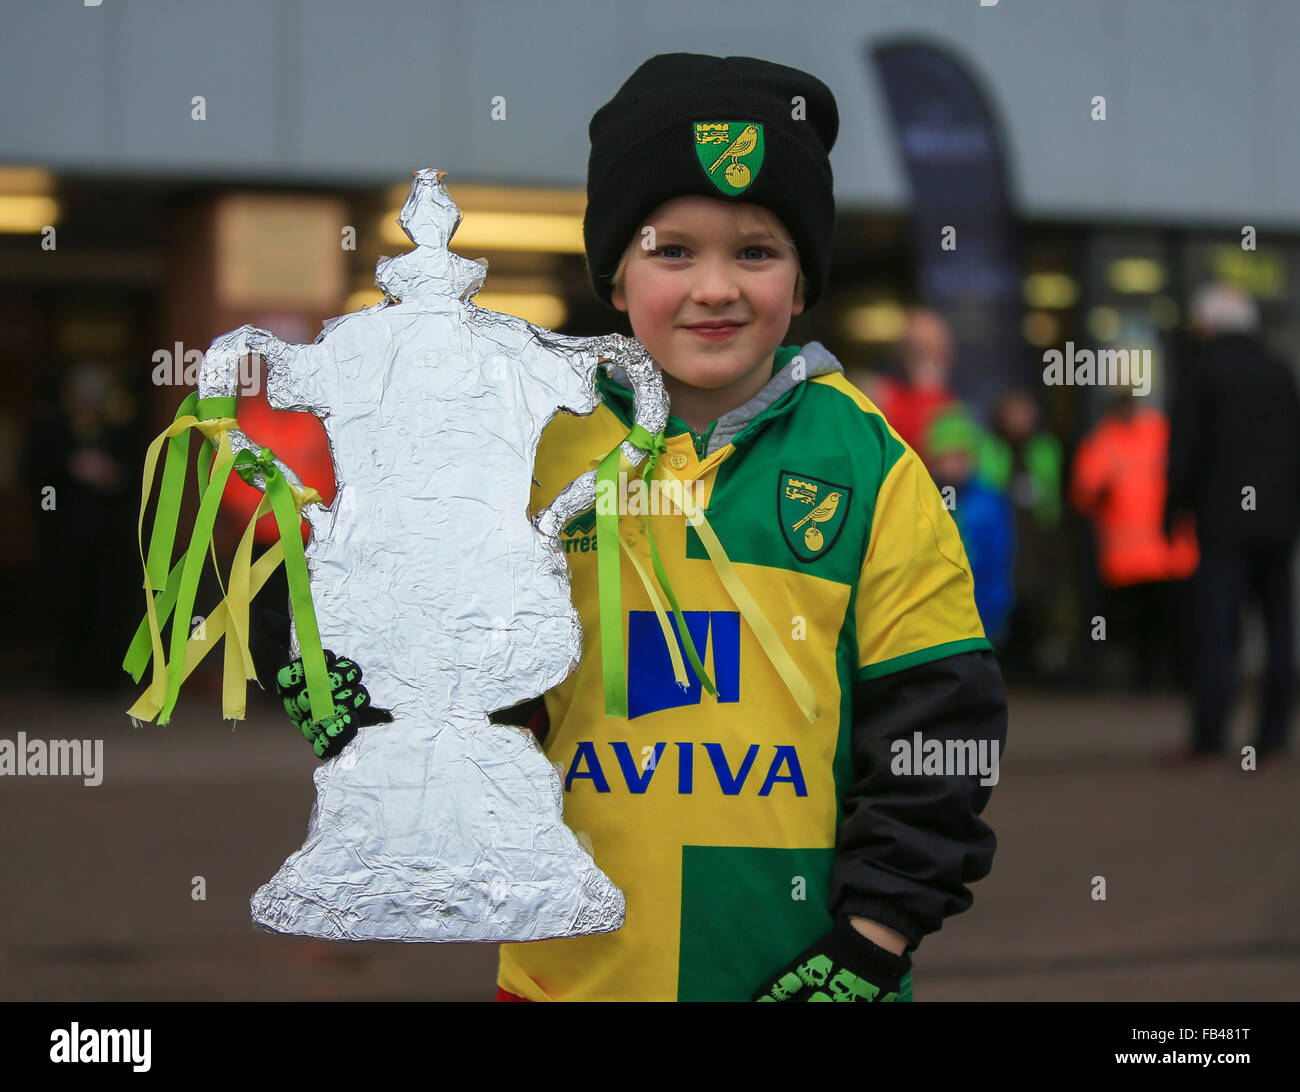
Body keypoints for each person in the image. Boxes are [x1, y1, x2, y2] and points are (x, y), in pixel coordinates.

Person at [271, 52, 1007, 1002]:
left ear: (804, 278)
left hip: (809, 977)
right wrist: (363, 699)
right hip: (570, 982)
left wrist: (872, 943)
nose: (715, 287)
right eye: (672, 251)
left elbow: (939, 727)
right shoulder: (532, 449)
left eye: (756, 250)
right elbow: (474, 696)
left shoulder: (871, 465)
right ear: (616, 276)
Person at [1165, 283, 1300, 763]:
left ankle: (1209, 740)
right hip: (1279, 525)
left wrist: (1172, 512)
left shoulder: (1203, 372)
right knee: (1280, 630)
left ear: (1208, 325)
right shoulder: (1280, 371)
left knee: (1217, 631)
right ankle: (1275, 739)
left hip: (1222, 524)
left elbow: (1185, 452)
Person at [1069, 388, 1198, 692]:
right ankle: (1146, 681)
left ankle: (1169, 678)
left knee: (1169, 623)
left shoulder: (1159, 432)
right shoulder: (1104, 440)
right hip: (1128, 557)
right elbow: (1083, 493)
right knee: (1137, 627)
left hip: (1166, 553)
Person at [976, 390, 1066, 683]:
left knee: (1036, 602)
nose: (1020, 420)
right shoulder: (989, 447)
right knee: (1006, 601)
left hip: (1035, 539)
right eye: (1014, 413)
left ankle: (1033, 671)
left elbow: (1051, 494)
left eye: (1025, 413)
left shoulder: (1044, 448)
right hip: (1004, 536)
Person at [927, 405, 1015, 646]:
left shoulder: (990, 501)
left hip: (983, 613)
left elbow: (999, 561)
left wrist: (997, 609)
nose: (953, 465)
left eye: (960, 456)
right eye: (945, 457)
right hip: (936, 616)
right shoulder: (923, 499)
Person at [867, 307, 957, 462]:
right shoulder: (882, 395)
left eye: (929, 346)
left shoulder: (956, 404)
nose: (921, 354)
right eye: (913, 346)